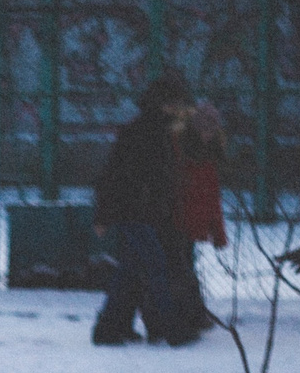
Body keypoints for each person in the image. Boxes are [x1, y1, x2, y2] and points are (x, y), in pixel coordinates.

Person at [91, 75, 197, 347]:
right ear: (164, 105)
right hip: (139, 210)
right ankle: (172, 328)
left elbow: (114, 174)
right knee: (154, 267)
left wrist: (105, 214)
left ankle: (111, 327)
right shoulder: (151, 133)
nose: (178, 109)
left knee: (132, 269)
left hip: (137, 210)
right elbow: (120, 175)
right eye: (174, 104)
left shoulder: (147, 131)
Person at [167, 103, 228, 334]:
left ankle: (189, 316)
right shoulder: (184, 150)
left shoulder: (203, 153)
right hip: (177, 219)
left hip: (189, 221)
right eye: (205, 129)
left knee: (181, 270)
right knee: (182, 271)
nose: (208, 134)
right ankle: (190, 316)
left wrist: (218, 233)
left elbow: (211, 196)